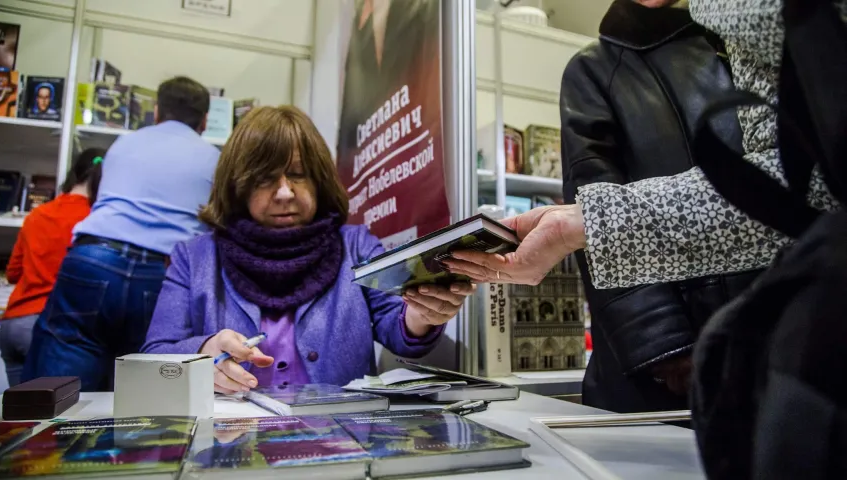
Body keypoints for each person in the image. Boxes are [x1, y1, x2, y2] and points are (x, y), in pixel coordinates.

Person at [445, 0, 841, 291]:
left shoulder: (729, 21)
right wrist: (661, 349)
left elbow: (802, 190)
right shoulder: (596, 69)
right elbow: (795, 191)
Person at [141, 106, 474, 393]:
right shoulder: (194, 257)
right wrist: (204, 351)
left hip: (342, 444)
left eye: (299, 175)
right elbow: (155, 354)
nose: (285, 192)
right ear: (238, 186)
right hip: (230, 447)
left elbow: (397, 328)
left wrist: (420, 314)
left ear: (320, 181)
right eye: (265, 178)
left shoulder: (355, 245)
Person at [549, 0, 762, 413]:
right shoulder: (595, 69)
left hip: (781, 339)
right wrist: (664, 347)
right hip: (673, 366)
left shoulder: (753, 43)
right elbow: (595, 208)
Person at [23, 76, 219, 391]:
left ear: (156, 112)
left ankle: (48, 437)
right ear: (205, 120)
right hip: (161, 273)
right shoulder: (215, 160)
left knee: (56, 388)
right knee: (141, 388)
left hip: (93, 259)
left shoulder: (124, 144)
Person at [0, 148, 105, 386]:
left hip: (13, 323)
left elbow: (13, 273)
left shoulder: (38, 213)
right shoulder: (94, 221)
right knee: (56, 417)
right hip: (52, 325)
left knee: (20, 417)